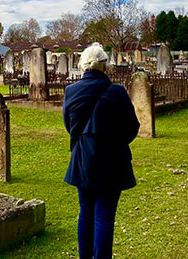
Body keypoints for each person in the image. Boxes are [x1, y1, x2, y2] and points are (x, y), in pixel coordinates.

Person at [63, 43, 140, 259]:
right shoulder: (116, 92)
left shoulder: (71, 91)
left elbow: (70, 125)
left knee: (86, 211)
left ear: (84, 67)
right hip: (112, 161)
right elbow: (132, 126)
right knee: (104, 216)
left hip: (83, 159)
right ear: (104, 66)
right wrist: (115, 142)